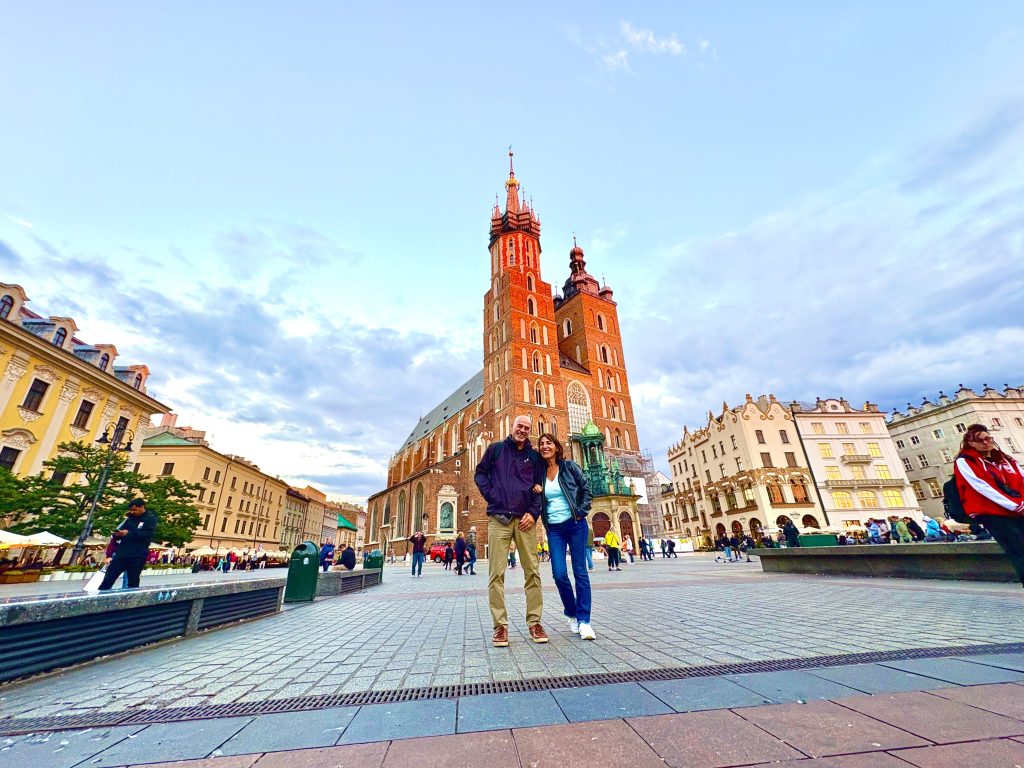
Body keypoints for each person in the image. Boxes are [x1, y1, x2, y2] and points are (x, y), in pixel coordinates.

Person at [474, 414, 547, 647]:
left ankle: (535, 622)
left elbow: (540, 488)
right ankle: (500, 627)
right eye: (519, 426)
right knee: (496, 574)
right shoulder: (496, 449)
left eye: (527, 427)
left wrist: (533, 513)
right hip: (499, 518)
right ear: (512, 426)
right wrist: (492, 495)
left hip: (525, 520)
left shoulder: (534, 457)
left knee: (532, 572)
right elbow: (479, 473)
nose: (522, 430)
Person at [533, 433, 596, 640]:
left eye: (548, 443)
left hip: (575, 524)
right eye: (541, 444)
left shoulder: (569, 467)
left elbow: (586, 489)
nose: (545, 446)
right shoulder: (539, 473)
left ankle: (584, 621)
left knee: (580, 572)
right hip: (554, 529)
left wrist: (581, 511)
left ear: (556, 446)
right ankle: (571, 612)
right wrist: (535, 489)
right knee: (559, 574)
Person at [954, 424, 1024, 588]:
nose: (986, 442)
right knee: (1018, 549)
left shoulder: (1006, 459)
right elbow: (981, 487)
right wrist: (1013, 505)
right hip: (993, 513)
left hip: (1019, 509)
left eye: (988, 438)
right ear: (970, 443)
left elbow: (1021, 478)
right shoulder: (965, 461)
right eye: (980, 440)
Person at [98, 499, 157, 591]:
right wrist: (117, 534)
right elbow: (120, 531)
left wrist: (129, 533)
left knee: (132, 581)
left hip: (137, 555)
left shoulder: (150, 518)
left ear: (142, 507)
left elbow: (147, 534)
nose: (132, 512)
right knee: (108, 578)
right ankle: (101, 594)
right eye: (131, 510)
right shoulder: (130, 518)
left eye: (135, 510)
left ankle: (130, 597)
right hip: (122, 553)